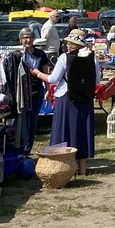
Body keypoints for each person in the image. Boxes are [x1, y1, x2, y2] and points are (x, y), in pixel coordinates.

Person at [33, 29, 100, 176]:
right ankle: (82, 169)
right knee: (83, 132)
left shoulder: (65, 57)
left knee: (64, 131)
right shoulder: (92, 58)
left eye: (68, 43)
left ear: (71, 44)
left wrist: (37, 73)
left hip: (67, 97)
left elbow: (53, 79)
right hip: (85, 99)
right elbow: (97, 81)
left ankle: (63, 167)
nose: (67, 45)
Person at [17, 28, 49, 155]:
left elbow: (46, 72)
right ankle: (18, 148)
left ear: (34, 39)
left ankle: (26, 150)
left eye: (30, 37)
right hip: (20, 94)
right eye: (25, 37)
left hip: (36, 92)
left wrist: (48, 89)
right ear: (21, 39)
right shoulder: (17, 54)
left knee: (32, 123)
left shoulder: (40, 54)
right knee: (20, 122)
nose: (28, 40)